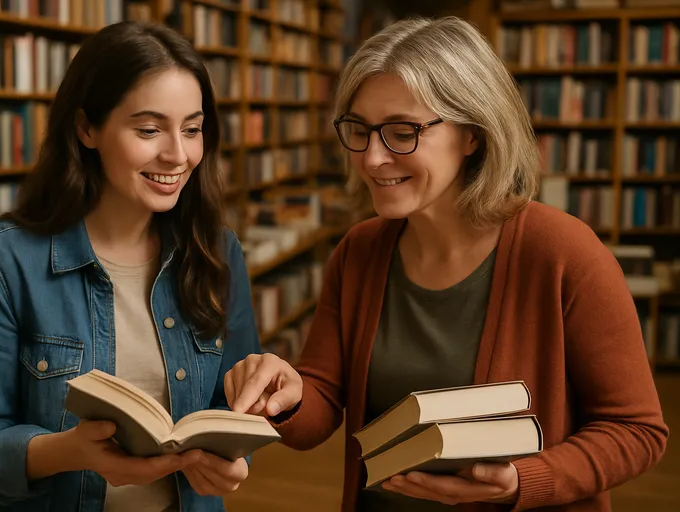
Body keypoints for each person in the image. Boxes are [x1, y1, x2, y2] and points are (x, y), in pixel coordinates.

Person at [223, 16, 669, 512]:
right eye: (359, 130)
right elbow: (322, 402)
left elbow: (638, 431)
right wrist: (288, 393)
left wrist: (524, 481)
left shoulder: (565, 254)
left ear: (472, 135)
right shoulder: (359, 251)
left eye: (401, 132)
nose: (372, 158)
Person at [0, 21, 260, 512]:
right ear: (87, 128)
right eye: (149, 129)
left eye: (192, 129)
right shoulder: (2, 262)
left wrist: (234, 462)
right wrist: (64, 452)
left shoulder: (216, 250)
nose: (178, 154)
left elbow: (231, 410)